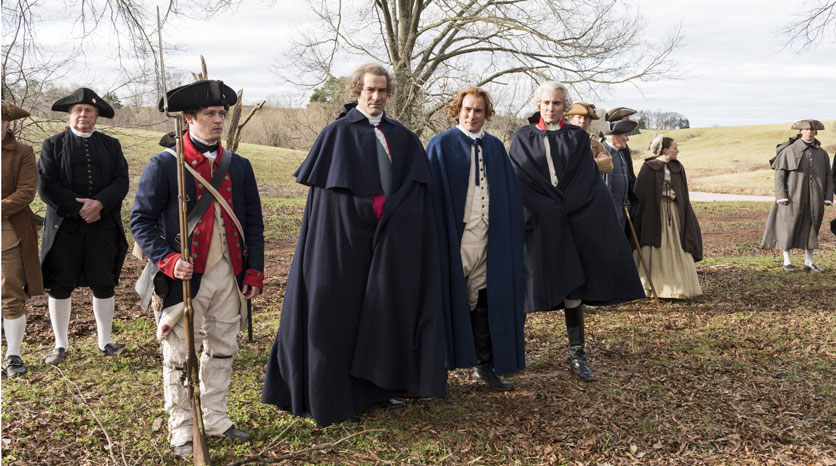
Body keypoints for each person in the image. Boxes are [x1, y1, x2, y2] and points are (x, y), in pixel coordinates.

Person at [262, 63, 447, 426]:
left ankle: (380, 388)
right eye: (369, 90)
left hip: (390, 244)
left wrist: (392, 213)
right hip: (343, 245)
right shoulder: (336, 135)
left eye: (382, 91)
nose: (376, 97)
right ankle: (338, 392)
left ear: (389, 93)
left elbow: (416, 195)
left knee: (383, 312)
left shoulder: (403, 137)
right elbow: (329, 204)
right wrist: (365, 208)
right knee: (339, 314)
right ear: (356, 91)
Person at [130, 79, 264, 457]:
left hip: (229, 274)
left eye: (221, 113)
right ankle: (183, 429)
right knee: (180, 356)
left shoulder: (238, 166)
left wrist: (253, 271)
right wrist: (168, 260)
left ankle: (216, 418)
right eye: (210, 114)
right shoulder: (164, 164)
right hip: (186, 277)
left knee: (223, 347)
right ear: (189, 118)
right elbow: (140, 220)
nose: (219, 119)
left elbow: (253, 222)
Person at [508, 81, 645, 381]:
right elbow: (520, 178)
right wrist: (544, 208)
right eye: (546, 103)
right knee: (527, 285)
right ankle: (512, 356)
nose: (551, 108)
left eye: (557, 103)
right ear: (538, 104)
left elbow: (587, 180)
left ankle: (577, 355)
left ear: (564, 106)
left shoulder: (578, 138)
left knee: (572, 287)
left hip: (571, 220)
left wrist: (566, 207)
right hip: (538, 222)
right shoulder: (523, 136)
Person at [426, 86, 525, 391]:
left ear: (486, 114)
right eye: (467, 109)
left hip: (489, 238)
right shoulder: (440, 145)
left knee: (484, 300)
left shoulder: (495, 147)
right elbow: (430, 197)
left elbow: (508, 195)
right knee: (445, 297)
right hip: (455, 238)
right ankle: (436, 368)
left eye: (478, 110)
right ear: (457, 110)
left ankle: (484, 365)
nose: (472, 115)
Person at [38, 88, 129, 364]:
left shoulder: (111, 145)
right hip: (65, 227)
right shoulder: (52, 145)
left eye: (89, 111)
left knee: (103, 283)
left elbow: (121, 181)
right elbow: (46, 186)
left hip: (102, 226)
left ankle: (105, 342)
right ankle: (60, 345)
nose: (83, 115)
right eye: (78, 110)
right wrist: (79, 208)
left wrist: (99, 204)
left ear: (97, 115)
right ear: (69, 114)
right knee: (60, 285)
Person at [2, 101, 44, 377]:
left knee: (10, 292)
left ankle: (13, 355)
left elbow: (27, 191)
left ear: (8, 125)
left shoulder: (23, 153)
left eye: (1, 121)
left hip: (9, 231)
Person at [632, 136, 703, 299]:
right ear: (665, 150)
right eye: (674, 147)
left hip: (675, 213)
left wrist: (677, 195)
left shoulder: (678, 167)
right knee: (656, 245)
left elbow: (683, 192)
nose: (677, 150)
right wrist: (663, 193)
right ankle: (657, 286)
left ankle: (680, 286)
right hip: (654, 215)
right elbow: (641, 193)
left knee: (678, 245)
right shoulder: (649, 167)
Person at [762, 120, 834, 272]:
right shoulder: (789, 151)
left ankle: (809, 263)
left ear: (815, 132)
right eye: (806, 129)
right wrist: (781, 195)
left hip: (816, 198)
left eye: (812, 130)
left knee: (813, 227)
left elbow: (829, 176)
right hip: (792, 197)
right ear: (801, 131)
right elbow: (779, 176)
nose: (809, 132)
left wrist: (828, 197)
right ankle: (787, 261)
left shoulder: (822, 153)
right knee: (788, 227)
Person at [601, 117, 640, 231]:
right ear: (614, 137)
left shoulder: (620, 154)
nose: (627, 139)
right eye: (625, 135)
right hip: (608, 215)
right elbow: (605, 188)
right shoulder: (603, 153)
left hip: (621, 213)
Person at [565, 102, 612, 174]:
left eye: (586, 118)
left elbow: (609, 166)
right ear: (570, 119)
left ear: (589, 122)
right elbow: (567, 167)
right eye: (579, 117)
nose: (583, 121)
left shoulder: (596, 145)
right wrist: (598, 162)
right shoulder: (562, 141)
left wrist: (582, 165)